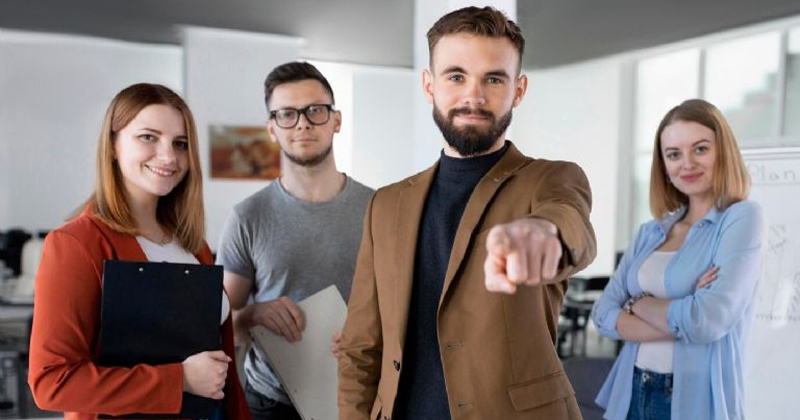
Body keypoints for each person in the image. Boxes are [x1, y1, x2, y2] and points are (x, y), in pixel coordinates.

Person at [338, 7, 596, 420]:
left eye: (493, 79)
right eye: (456, 77)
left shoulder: (550, 179)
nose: (473, 96)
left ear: (518, 90)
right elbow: (360, 346)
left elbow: (569, 219)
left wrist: (544, 232)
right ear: (429, 85)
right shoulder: (385, 204)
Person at [28, 83, 250, 419]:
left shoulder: (194, 247)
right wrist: (179, 380)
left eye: (180, 143)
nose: (168, 156)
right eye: (148, 137)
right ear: (113, 146)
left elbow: (219, 367)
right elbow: (52, 383)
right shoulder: (77, 244)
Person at [216, 61, 374, 420]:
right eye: (287, 114)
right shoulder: (247, 217)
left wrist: (370, 330)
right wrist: (253, 314)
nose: (303, 123)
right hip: (271, 403)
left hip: (358, 395)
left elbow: (403, 307)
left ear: (336, 120)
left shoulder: (378, 208)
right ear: (272, 128)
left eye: (315, 110)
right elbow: (221, 326)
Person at [592, 99, 765, 420]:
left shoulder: (742, 218)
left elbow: (707, 321)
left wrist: (637, 302)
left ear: (723, 152)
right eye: (673, 154)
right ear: (664, 166)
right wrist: (683, 310)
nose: (687, 163)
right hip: (632, 389)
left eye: (700, 149)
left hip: (692, 399)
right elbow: (602, 314)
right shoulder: (650, 232)